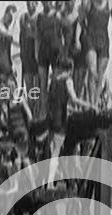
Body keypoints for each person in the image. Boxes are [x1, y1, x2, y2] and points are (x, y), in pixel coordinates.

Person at [47, 55, 95, 185]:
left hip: (51, 117)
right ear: (69, 69)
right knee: (56, 152)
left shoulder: (53, 81)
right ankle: (50, 182)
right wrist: (89, 105)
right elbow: (74, 99)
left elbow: (56, 102)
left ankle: (52, 178)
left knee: (52, 149)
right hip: (60, 119)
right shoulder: (67, 81)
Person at [79, 0, 112, 106]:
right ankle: (91, 103)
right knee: (92, 71)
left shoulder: (110, 4)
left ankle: (95, 103)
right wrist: (80, 36)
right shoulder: (88, 3)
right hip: (90, 38)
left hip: (104, 41)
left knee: (100, 76)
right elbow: (80, 20)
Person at [36, 1, 63, 119]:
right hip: (43, 50)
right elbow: (37, 37)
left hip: (55, 50)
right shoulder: (40, 17)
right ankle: (43, 112)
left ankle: (55, 112)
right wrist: (36, 52)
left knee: (56, 82)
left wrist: (62, 52)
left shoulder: (57, 14)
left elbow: (62, 34)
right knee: (43, 83)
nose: (46, 3)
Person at [20, 1, 40, 115]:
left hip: (36, 56)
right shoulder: (23, 18)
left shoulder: (39, 17)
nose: (29, 5)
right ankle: (30, 113)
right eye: (28, 3)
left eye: (32, 3)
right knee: (29, 86)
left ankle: (36, 113)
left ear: (36, 4)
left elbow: (40, 36)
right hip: (26, 56)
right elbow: (21, 36)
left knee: (36, 88)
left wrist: (32, 33)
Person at [0, 5, 19, 80]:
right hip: (1, 62)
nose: (10, 20)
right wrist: (14, 21)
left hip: (8, 63)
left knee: (13, 87)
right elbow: (7, 34)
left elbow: (14, 41)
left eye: (12, 18)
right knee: (5, 87)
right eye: (10, 16)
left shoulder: (6, 28)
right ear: (6, 14)